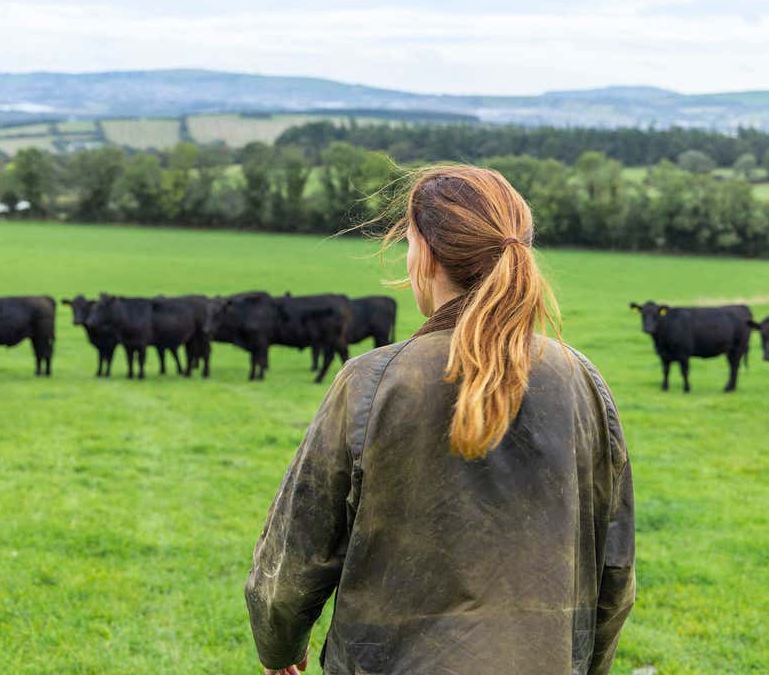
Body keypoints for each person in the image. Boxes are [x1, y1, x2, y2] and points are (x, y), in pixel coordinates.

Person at [246, 165, 635, 674]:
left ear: (424, 253)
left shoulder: (372, 381)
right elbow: (615, 566)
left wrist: (279, 649)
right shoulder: (581, 380)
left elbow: (296, 553)